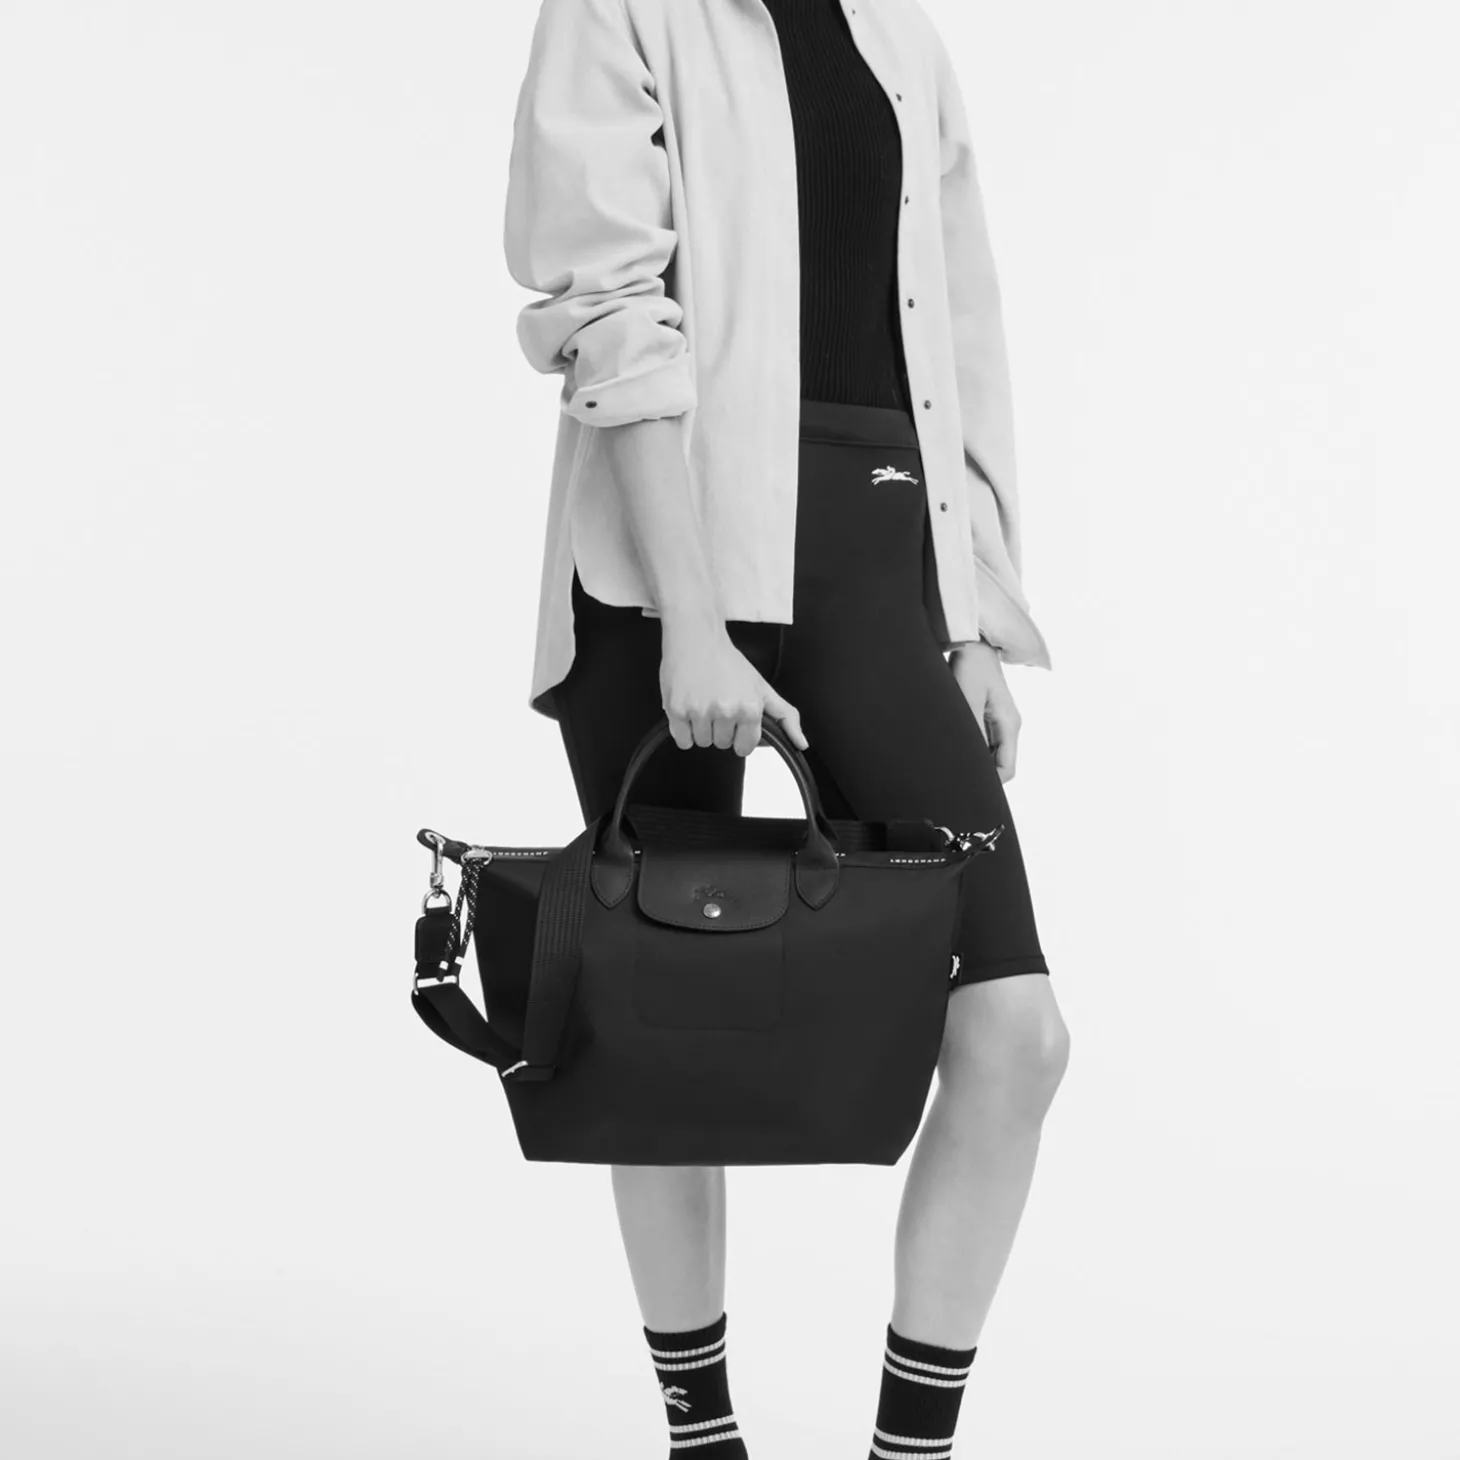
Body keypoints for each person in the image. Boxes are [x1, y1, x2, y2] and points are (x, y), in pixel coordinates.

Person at [502, 1, 1071, 1455]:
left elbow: (950, 326)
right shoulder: (626, 6)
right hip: (661, 566)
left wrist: (967, 614)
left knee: (1014, 1033)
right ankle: (703, 1439)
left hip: (873, 557)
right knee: (660, 1031)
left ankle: (909, 1449)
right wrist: (693, 621)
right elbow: (605, 303)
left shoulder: (896, 31)